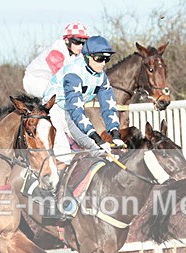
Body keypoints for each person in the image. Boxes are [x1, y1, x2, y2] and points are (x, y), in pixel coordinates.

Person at [42, 35, 125, 165]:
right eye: (99, 58)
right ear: (87, 56)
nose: (103, 63)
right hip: (54, 109)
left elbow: (108, 106)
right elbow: (76, 110)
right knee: (64, 152)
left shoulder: (101, 76)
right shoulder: (73, 73)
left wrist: (115, 134)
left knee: (97, 148)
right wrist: (96, 137)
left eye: (106, 59)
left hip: (70, 112)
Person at [23, 22, 91, 98]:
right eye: (77, 42)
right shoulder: (56, 52)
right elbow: (62, 78)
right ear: (67, 40)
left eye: (83, 43)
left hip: (48, 82)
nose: (81, 46)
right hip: (35, 81)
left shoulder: (77, 54)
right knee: (62, 94)